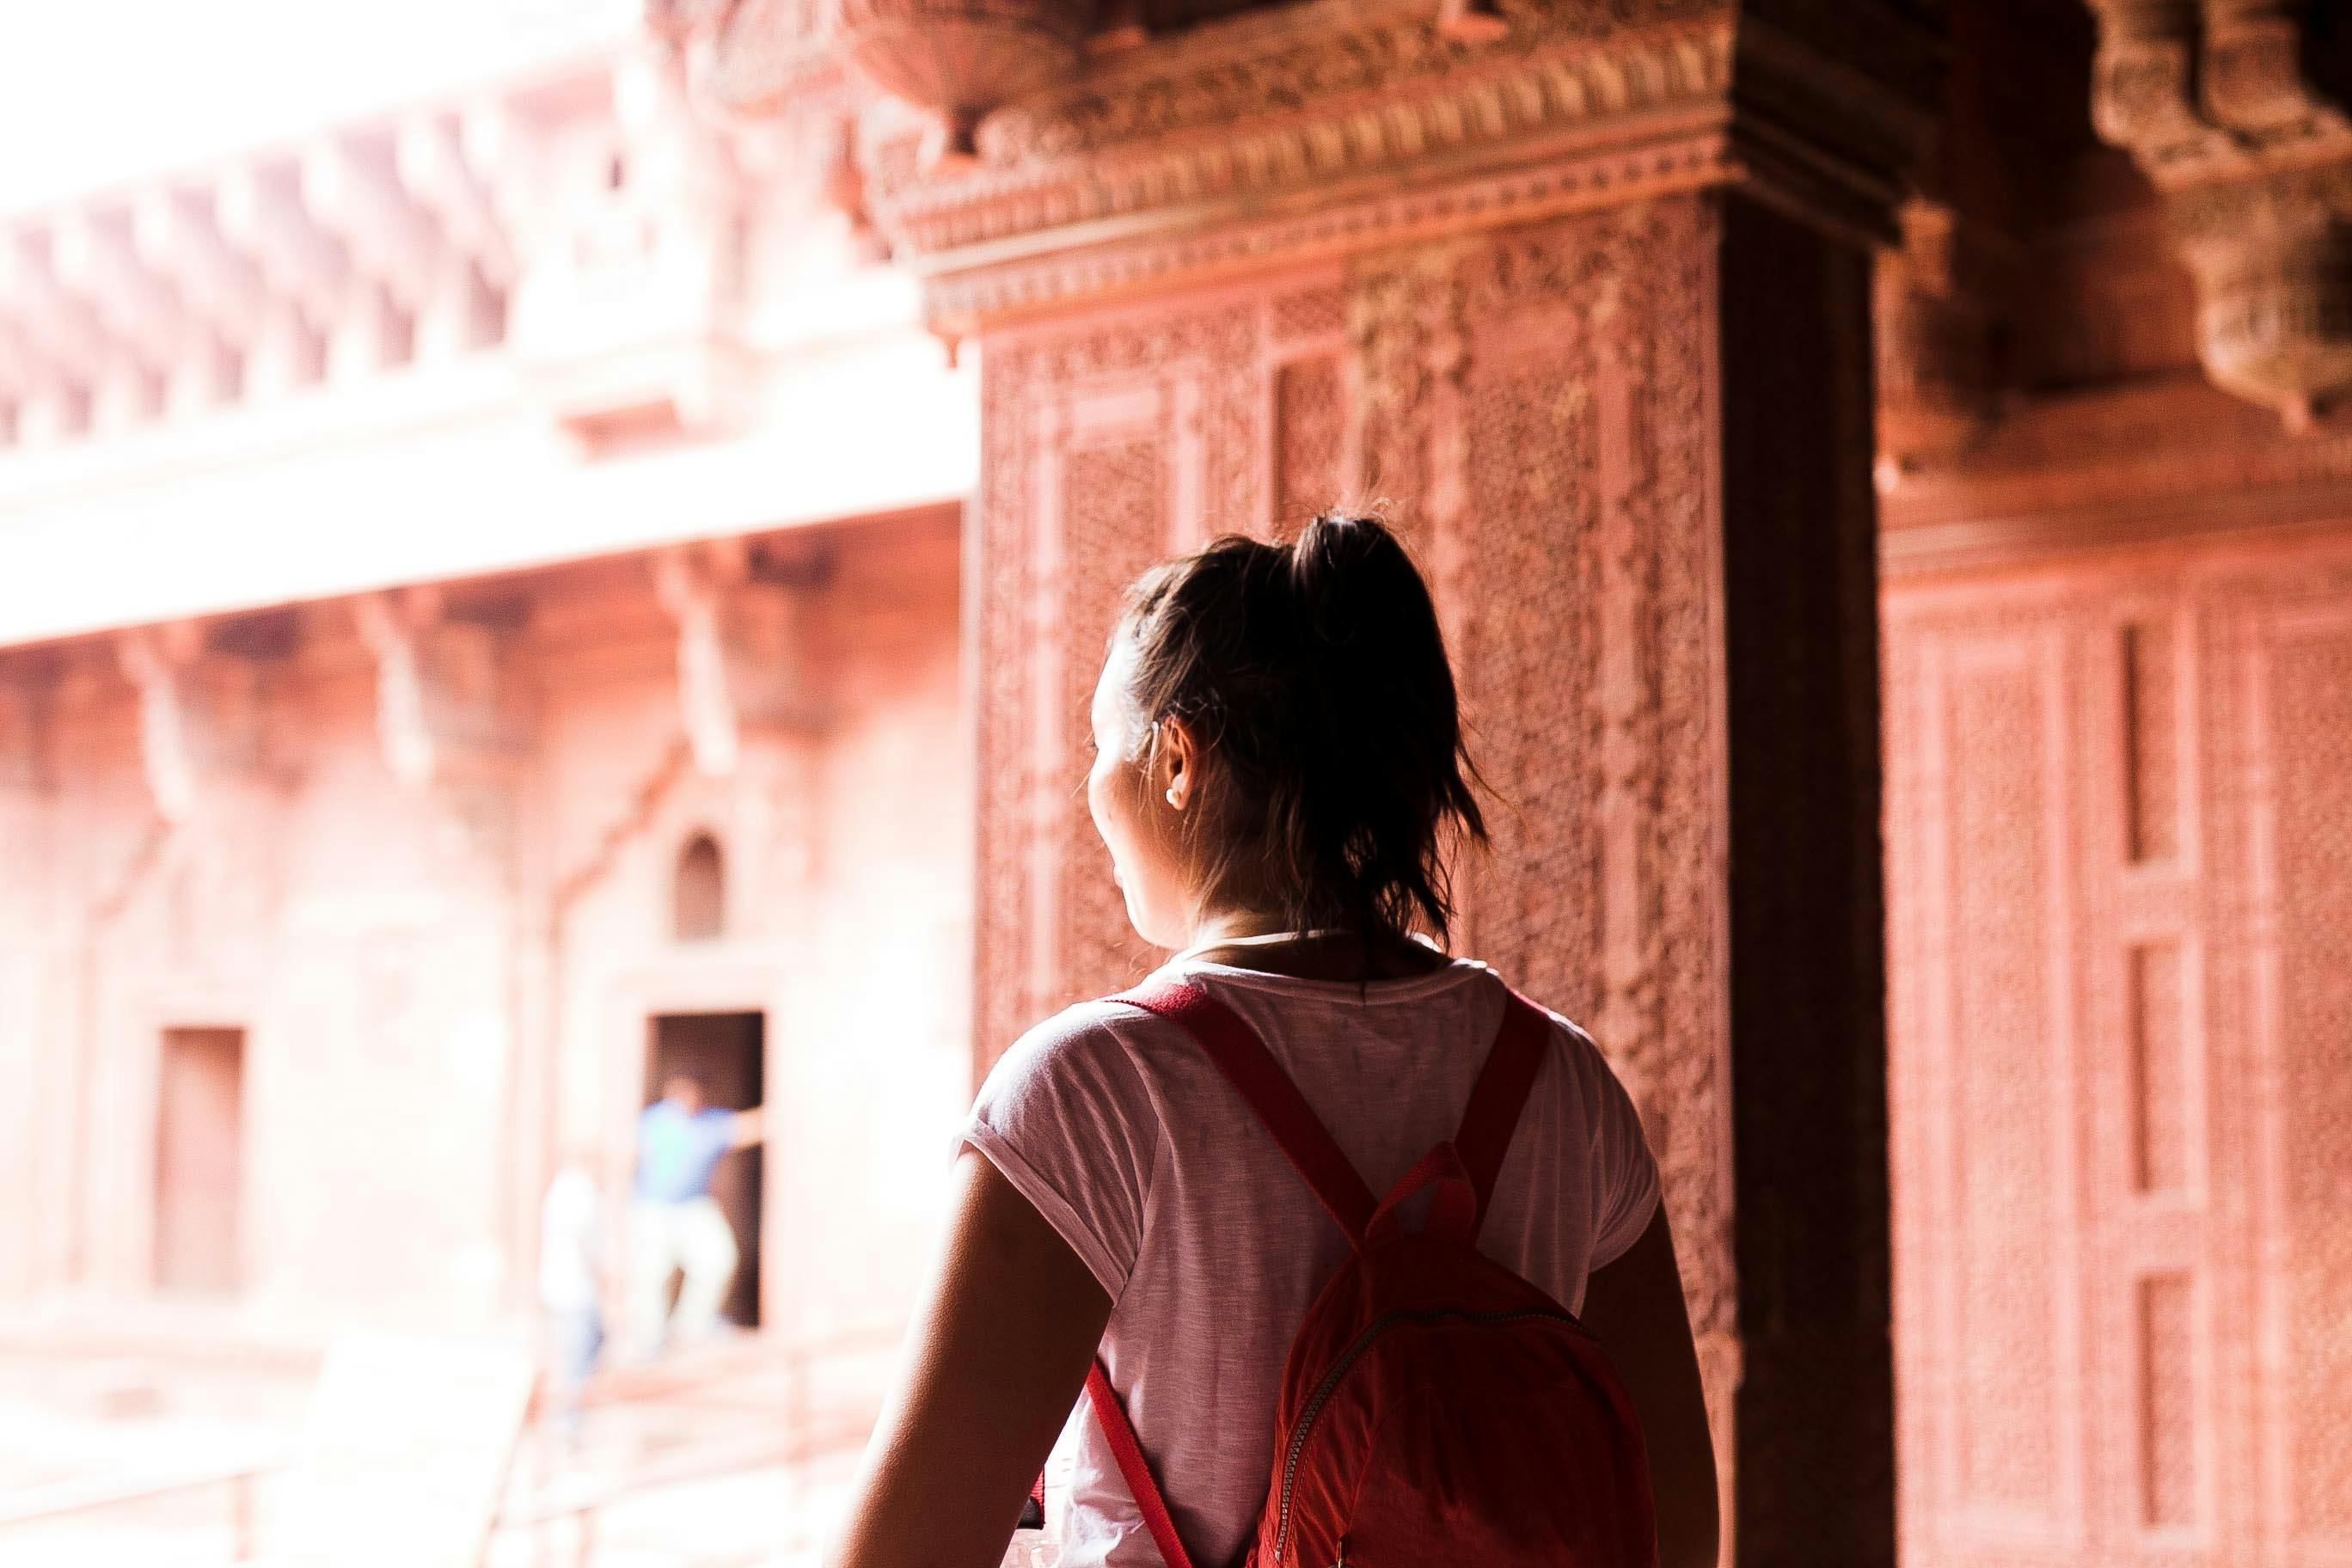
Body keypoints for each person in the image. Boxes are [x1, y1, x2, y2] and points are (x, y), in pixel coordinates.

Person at [830, 515, 1718, 1568]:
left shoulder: (1097, 1095)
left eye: (1097, 749)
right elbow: (1675, 1527)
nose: (1089, 790)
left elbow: (898, 1552)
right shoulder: (1566, 1089)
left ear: (1173, 761)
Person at [627, 1074, 764, 1358]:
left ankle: (693, 1325)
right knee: (651, 1277)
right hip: (653, 1209)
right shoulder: (653, 1125)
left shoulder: (706, 1125)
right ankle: (649, 1341)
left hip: (691, 1207)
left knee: (717, 1260)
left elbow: (743, 1129)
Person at [538, 1147, 606, 1445]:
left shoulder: (562, 1188)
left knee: (591, 1342)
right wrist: (600, 1274)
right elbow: (580, 1239)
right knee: (577, 1353)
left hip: (562, 1284)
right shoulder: (580, 1192)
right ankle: (566, 1418)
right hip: (575, 1287)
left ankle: (568, 1411)